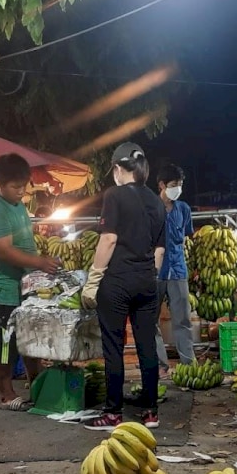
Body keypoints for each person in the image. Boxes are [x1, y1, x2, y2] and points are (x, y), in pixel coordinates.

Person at [82, 142, 166, 430]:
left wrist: (94, 279)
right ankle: (151, 411)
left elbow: (108, 239)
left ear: (118, 169)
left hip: (117, 281)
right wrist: (147, 275)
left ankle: (113, 413)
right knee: (147, 345)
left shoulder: (114, 195)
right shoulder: (156, 201)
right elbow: (160, 251)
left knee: (114, 346)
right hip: (147, 282)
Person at [0, 153, 61, 411]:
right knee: (5, 345)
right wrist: (39, 262)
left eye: (24, 186)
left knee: (30, 340)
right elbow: (4, 251)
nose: (21, 191)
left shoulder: (16, 203)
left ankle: (37, 385)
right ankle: (6, 394)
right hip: (3, 290)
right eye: (15, 187)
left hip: (25, 286)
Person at [152, 164, 195, 376]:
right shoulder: (149, 208)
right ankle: (159, 365)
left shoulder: (184, 209)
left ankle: (188, 365)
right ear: (162, 185)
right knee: (150, 320)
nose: (178, 189)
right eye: (174, 184)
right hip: (154, 271)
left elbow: (185, 237)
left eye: (180, 184)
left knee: (183, 320)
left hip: (178, 270)